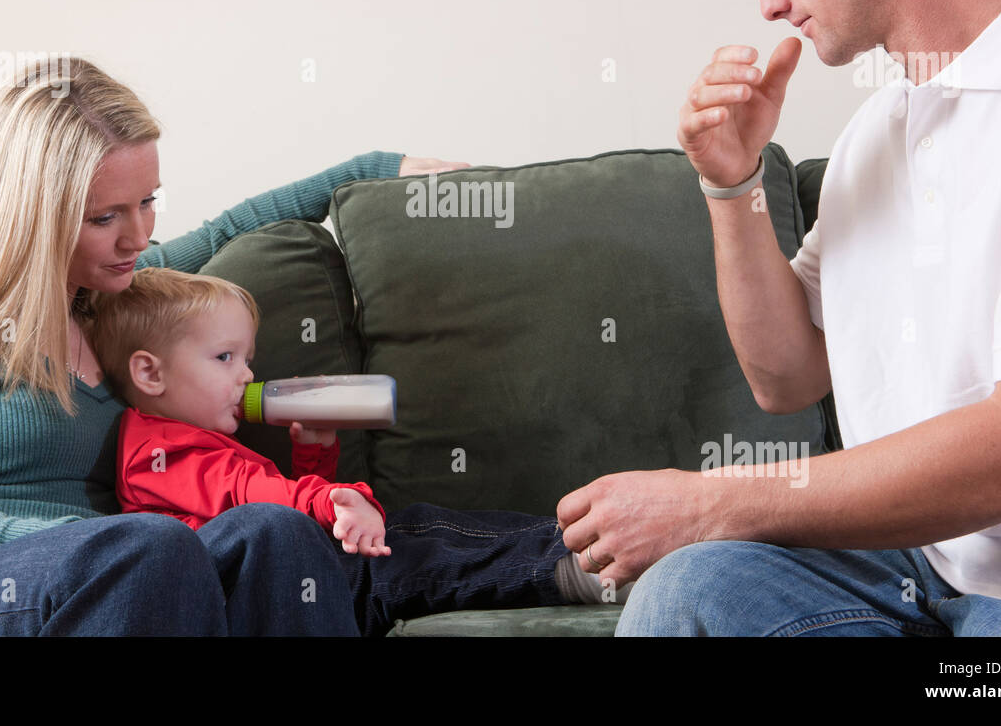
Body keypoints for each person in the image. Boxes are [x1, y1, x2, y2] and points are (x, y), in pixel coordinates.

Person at [556, 0, 1001, 635]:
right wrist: (731, 186)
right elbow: (786, 377)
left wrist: (713, 503)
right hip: (918, 569)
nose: (768, 1)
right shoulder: (874, 134)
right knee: (688, 596)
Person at [0, 56, 480, 636]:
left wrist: (376, 171)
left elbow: (234, 225)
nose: (136, 237)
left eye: (147, 202)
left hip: (130, 575)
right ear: (26, 213)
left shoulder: (114, 301)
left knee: (277, 533)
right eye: (104, 217)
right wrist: (87, 542)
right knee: (153, 550)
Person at [88, 265, 615, 635]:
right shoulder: (155, 453)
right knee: (416, 554)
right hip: (260, 601)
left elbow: (272, 497)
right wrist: (332, 496)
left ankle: (586, 549)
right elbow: (248, 496)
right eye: (225, 357)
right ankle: (581, 564)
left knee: (424, 532)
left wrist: (314, 458)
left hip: (302, 576)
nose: (247, 374)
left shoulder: (194, 438)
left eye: (247, 357)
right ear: (149, 372)